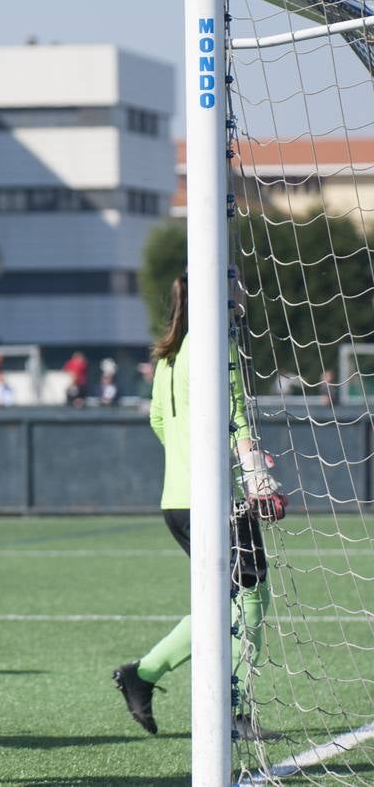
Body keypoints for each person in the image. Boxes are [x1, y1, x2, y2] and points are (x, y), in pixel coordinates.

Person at [113, 273, 285, 741]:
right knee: (249, 597)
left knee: (222, 600)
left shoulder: (169, 354)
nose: (244, 288)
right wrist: (255, 474)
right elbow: (235, 412)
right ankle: (234, 712)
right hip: (212, 501)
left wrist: (187, 455)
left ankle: (142, 674)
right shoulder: (213, 342)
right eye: (235, 279)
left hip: (177, 499)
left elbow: (156, 419)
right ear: (217, 291)